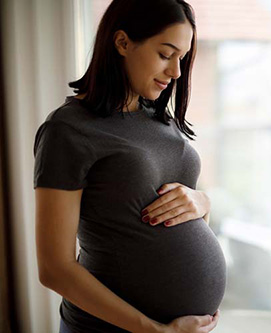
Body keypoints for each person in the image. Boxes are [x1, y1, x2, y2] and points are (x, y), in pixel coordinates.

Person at [33, 0, 227, 332]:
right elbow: (54, 268)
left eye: (182, 58)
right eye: (166, 55)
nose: (176, 72)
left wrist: (202, 201)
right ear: (122, 42)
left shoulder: (160, 120)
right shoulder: (68, 130)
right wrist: (154, 330)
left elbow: (176, 210)